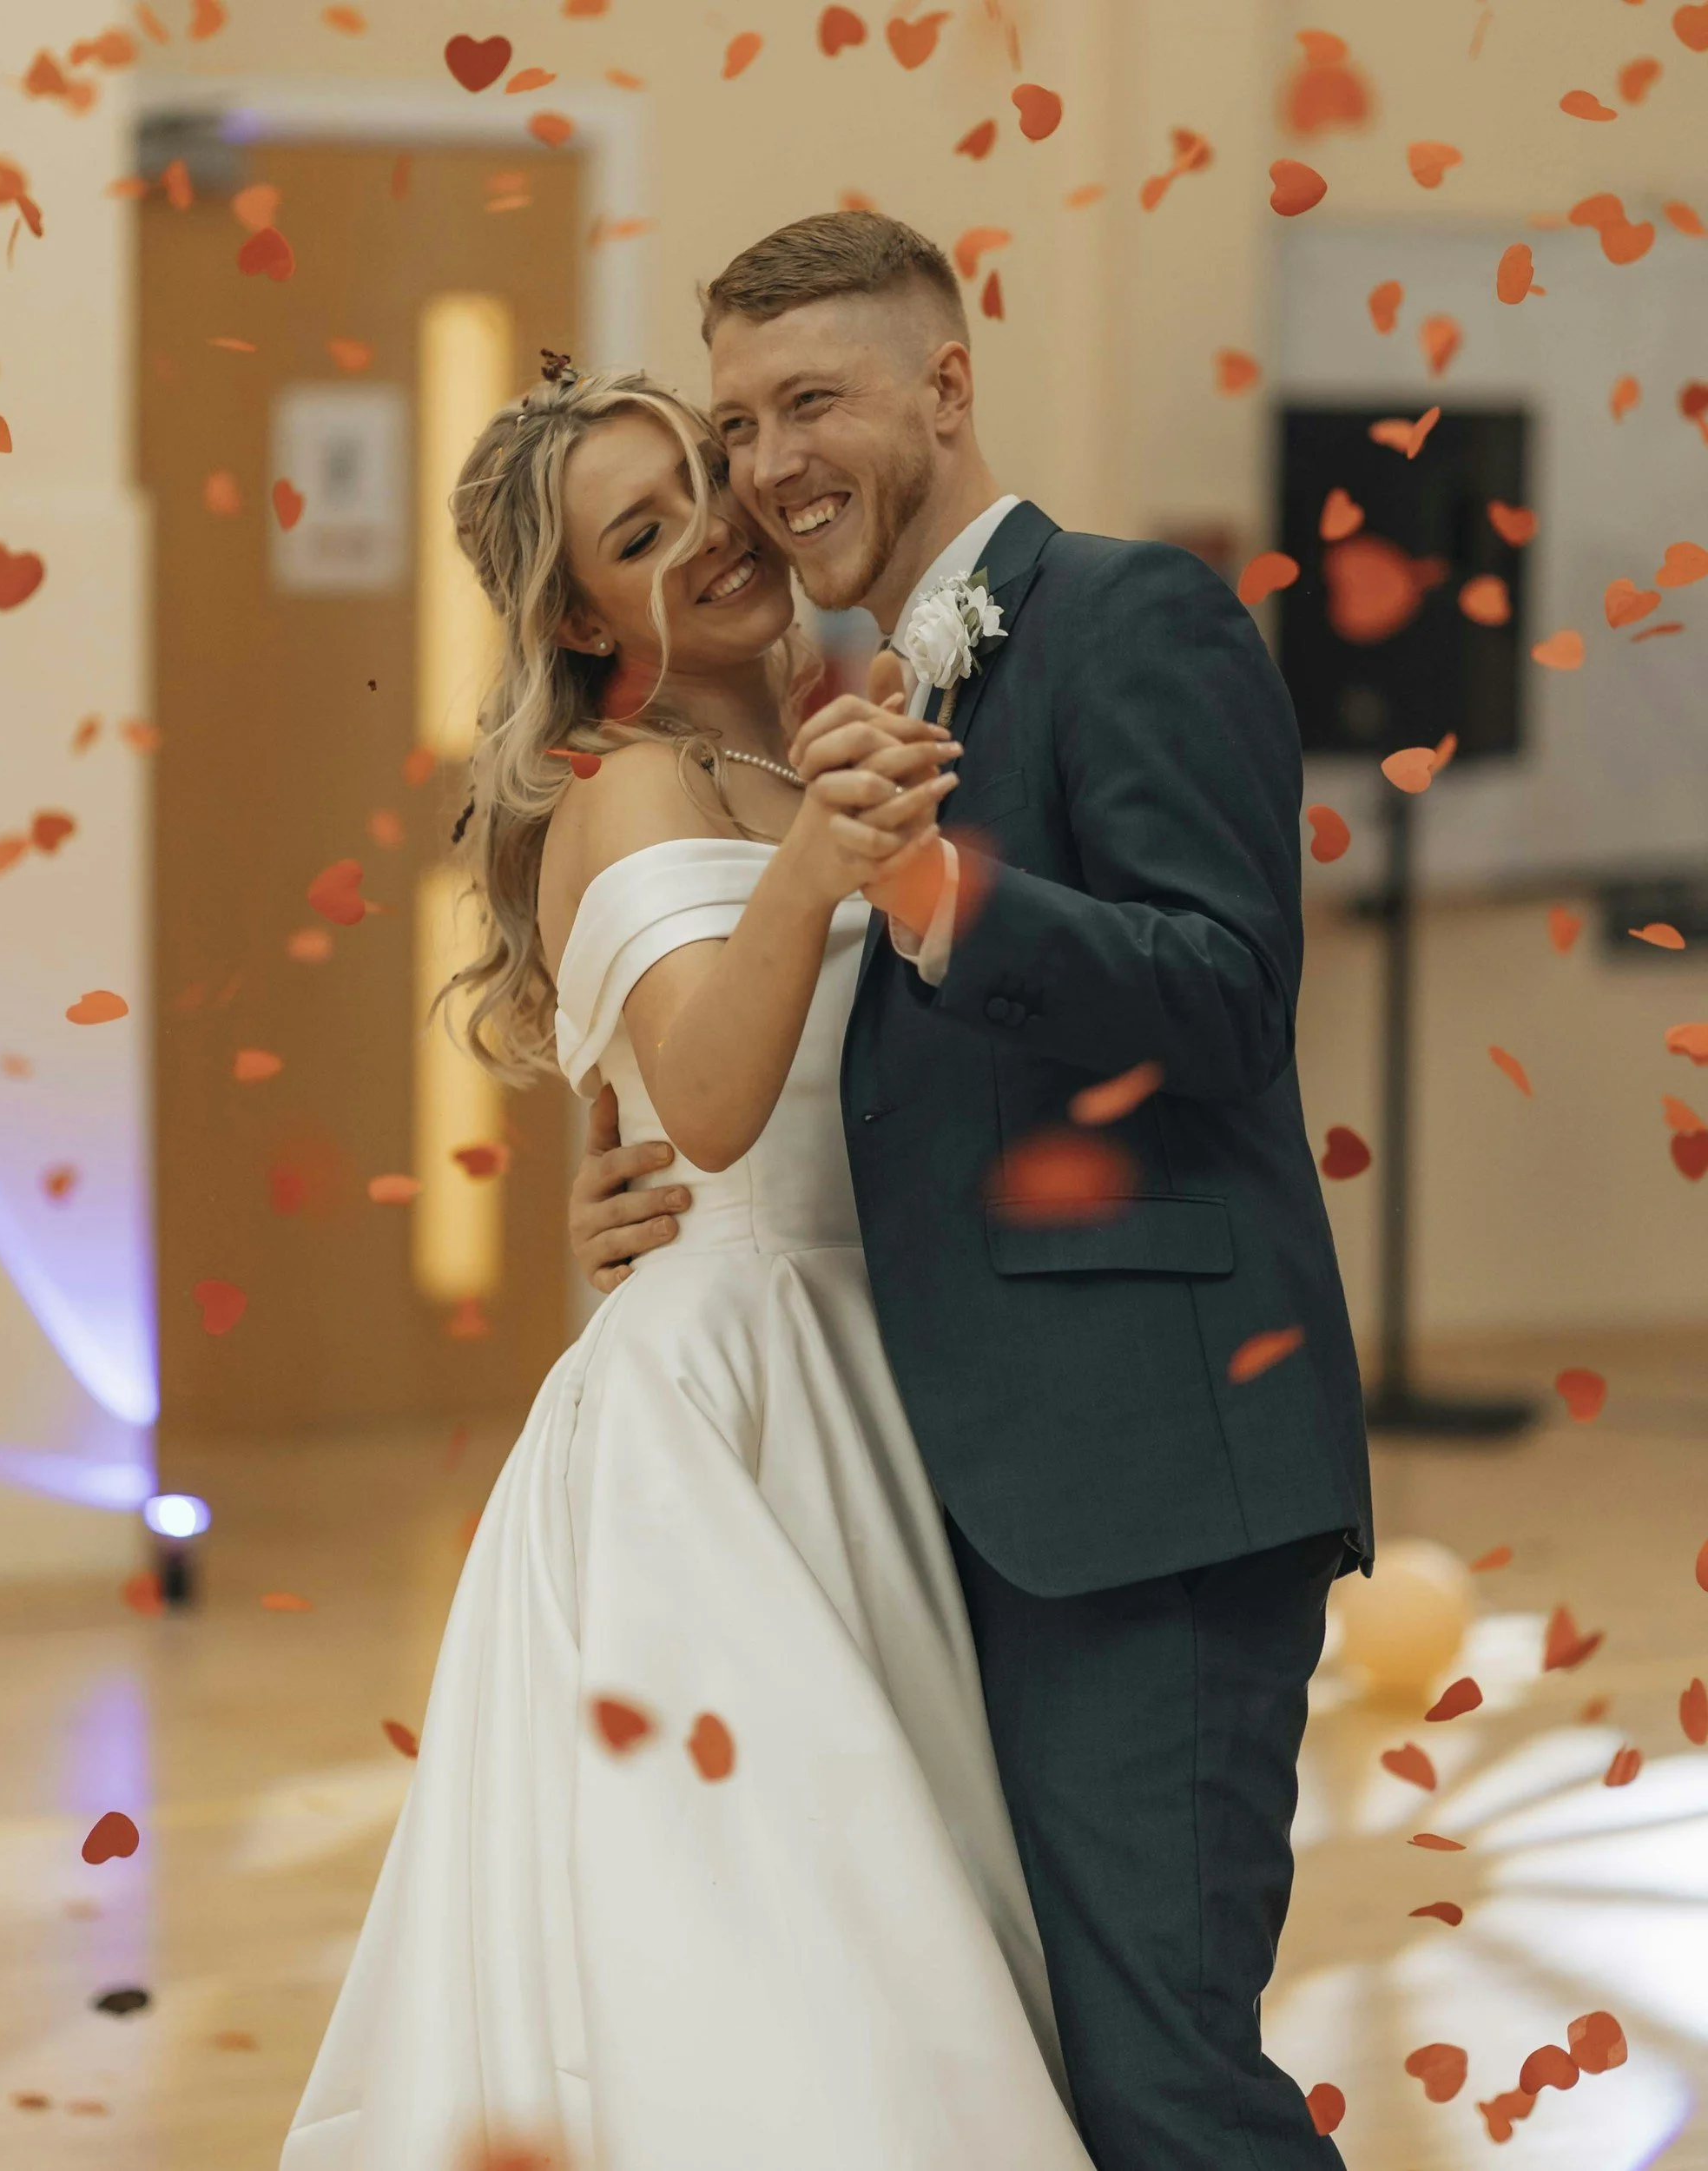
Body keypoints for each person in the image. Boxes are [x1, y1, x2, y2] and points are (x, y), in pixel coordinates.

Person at [569, 212, 1375, 2171]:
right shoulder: (841, 711)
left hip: (1144, 1483)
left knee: (1164, 2083)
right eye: (743, 418)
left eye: (813, 399)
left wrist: (936, 896)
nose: (769, 463)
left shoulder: (1131, 616)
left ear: (947, 383)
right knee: (1017, 2072)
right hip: (932, 1504)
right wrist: (643, 1208)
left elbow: (1227, 993)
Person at [280, 360, 1094, 2171]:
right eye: (640, 536)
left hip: (900, 1355)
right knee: (788, 1924)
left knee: (921, 1873)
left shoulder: (852, 711)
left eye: (705, 485)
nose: (714, 535)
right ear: (578, 614)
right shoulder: (630, 792)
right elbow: (713, 1107)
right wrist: (814, 859)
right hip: (729, 1411)